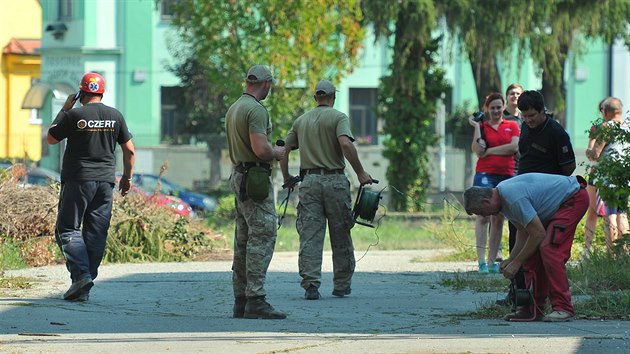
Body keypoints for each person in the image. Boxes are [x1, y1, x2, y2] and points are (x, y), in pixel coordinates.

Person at [280, 79, 373, 300]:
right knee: (340, 233)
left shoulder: (301, 121)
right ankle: (341, 285)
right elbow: (346, 144)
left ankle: (311, 284)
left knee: (310, 235)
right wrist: (360, 172)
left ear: (316, 98)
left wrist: (287, 177)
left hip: (309, 182)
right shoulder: (339, 117)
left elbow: (283, 149)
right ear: (333, 96)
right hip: (335, 181)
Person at [47, 72, 135, 302]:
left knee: (67, 229)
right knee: (96, 232)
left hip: (78, 179)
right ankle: (84, 282)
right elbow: (130, 150)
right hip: (105, 182)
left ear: (81, 93)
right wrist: (126, 178)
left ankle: (81, 276)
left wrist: (65, 109)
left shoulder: (74, 114)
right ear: (101, 92)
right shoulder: (115, 116)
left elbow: (51, 138)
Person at [463, 173, 589, 322]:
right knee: (531, 255)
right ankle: (533, 309)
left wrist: (516, 263)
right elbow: (523, 232)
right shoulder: (503, 201)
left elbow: (538, 234)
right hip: (562, 203)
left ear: (486, 201)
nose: (484, 216)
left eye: (481, 212)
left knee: (550, 250)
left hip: (573, 198)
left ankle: (563, 308)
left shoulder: (513, 198)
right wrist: (512, 259)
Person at [496, 90, 577, 307]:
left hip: (543, 200)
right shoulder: (526, 128)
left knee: (541, 249)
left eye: (532, 115)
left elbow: (569, 167)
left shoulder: (556, 132)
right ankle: (517, 293)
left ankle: (543, 299)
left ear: (543, 111)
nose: (528, 120)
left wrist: (548, 189)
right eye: (524, 116)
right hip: (521, 196)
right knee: (516, 242)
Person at [225, 64, 287, 319]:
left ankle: (241, 300)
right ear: (266, 83)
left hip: (239, 175)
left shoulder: (235, 108)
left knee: (243, 240)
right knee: (262, 237)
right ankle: (256, 299)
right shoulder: (256, 110)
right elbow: (261, 149)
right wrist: (278, 153)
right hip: (255, 179)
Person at [468, 92, 520, 273]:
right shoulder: (483, 127)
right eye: (493, 108)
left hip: (506, 176)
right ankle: (481, 261)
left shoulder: (512, 125)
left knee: (499, 218)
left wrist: (489, 151)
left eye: (499, 107)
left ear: (503, 107)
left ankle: (491, 262)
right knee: (483, 217)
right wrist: (476, 127)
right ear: (487, 109)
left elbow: (513, 147)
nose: (496, 111)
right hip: (484, 174)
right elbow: (477, 150)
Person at [586, 97, 629, 250]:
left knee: (610, 213)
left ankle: (612, 252)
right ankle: (624, 252)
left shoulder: (605, 128)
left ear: (606, 112)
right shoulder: (628, 126)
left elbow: (595, 154)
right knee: (622, 213)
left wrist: (589, 151)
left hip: (609, 177)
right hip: (624, 177)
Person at [499, 83, 524, 262]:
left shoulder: (526, 117)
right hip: (503, 167)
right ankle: (497, 251)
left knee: (517, 214)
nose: (515, 96)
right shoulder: (500, 117)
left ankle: (516, 252)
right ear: (506, 96)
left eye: (518, 93)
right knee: (497, 212)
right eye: (511, 93)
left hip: (522, 168)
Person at [582, 99, 608, 252]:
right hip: (596, 172)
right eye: (604, 109)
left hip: (613, 175)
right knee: (592, 210)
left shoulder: (622, 127)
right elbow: (591, 152)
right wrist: (591, 152)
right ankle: (587, 249)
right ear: (601, 111)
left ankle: (613, 249)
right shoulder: (596, 127)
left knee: (612, 213)